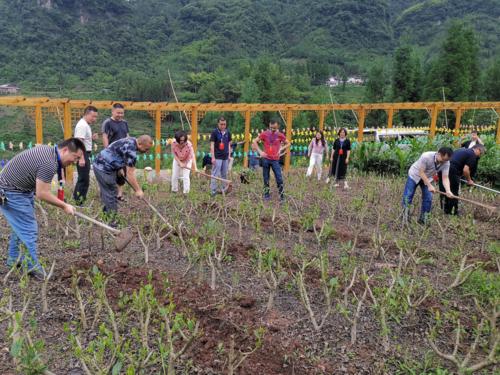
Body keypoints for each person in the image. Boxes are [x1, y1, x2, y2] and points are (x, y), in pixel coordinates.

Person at [0, 139, 85, 278]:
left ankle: (14, 260)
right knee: (28, 228)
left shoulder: (49, 152)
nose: (74, 162)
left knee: (20, 227)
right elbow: (42, 193)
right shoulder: (49, 163)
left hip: (19, 190)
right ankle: (31, 266)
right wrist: (64, 205)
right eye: (75, 157)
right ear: (65, 151)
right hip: (10, 191)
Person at [92, 136, 153, 223]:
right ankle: (111, 222)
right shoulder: (132, 152)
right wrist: (138, 190)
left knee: (108, 193)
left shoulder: (131, 140)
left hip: (101, 163)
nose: (147, 151)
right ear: (139, 144)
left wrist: (119, 167)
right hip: (103, 168)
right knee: (111, 193)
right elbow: (130, 174)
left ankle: (106, 218)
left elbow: (118, 152)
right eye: (146, 149)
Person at [402, 147, 455, 224]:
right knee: (408, 195)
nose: (444, 162)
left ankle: (424, 219)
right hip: (414, 175)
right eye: (443, 159)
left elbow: (445, 178)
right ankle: (405, 218)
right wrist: (430, 185)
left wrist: (448, 190)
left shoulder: (446, 163)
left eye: (446, 160)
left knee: (428, 198)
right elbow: (421, 172)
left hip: (428, 177)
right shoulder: (426, 156)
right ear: (438, 154)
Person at [440, 144, 485, 215]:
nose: (480, 155)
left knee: (444, 189)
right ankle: (452, 212)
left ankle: (444, 210)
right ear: (478, 149)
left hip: (444, 168)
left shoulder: (462, 150)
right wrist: (469, 180)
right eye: (481, 153)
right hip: (453, 170)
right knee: (454, 192)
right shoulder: (472, 155)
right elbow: (466, 170)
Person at [252, 119, 290, 201]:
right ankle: (266, 195)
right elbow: (254, 141)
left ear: (278, 126)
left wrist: (280, 149)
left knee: (279, 178)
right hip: (266, 159)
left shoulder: (280, 135)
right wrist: (260, 152)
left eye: (274, 128)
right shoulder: (265, 134)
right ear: (269, 126)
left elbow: (288, 143)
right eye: (271, 127)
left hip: (275, 160)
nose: (272, 129)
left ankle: (282, 196)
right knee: (266, 178)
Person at [102, 103, 129, 201]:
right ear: (112, 111)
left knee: (122, 175)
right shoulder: (107, 123)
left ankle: (119, 195)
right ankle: (110, 195)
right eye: (118, 113)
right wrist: (107, 153)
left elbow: (127, 136)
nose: (120, 115)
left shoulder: (124, 123)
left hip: (122, 154)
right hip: (112, 154)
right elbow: (105, 137)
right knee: (111, 174)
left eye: (122, 113)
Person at [73, 106, 98, 205]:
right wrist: (81, 158)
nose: (94, 119)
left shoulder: (85, 125)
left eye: (96, 117)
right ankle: (79, 202)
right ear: (87, 114)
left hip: (85, 153)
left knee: (82, 178)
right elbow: (79, 142)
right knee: (84, 179)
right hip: (83, 154)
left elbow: (84, 139)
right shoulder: (82, 125)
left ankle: (77, 199)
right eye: (93, 116)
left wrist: (91, 138)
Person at [210, 116, 232, 195]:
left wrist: (229, 155)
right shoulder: (214, 132)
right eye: (221, 124)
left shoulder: (228, 132)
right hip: (217, 156)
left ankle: (224, 190)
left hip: (225, 157)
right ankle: (213, 191)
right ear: (218, 124)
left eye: (224, 124)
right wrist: (213, 157)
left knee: (224, 174)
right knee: (215, 174)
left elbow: (229, 144)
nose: (223, 126)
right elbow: (212, 145)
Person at [171, 130, 196, 194]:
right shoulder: (173, 144)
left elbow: (192, 156)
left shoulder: (189, 145)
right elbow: (174, 155)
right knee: (174, 175)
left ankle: (186, 193)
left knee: (186, 177)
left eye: (183, 140)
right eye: (180, 141)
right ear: (177, 140)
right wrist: (180, 163)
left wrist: (194, 167)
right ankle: (174, 191)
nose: (182, 142)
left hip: (187, 160)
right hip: (177, 160)